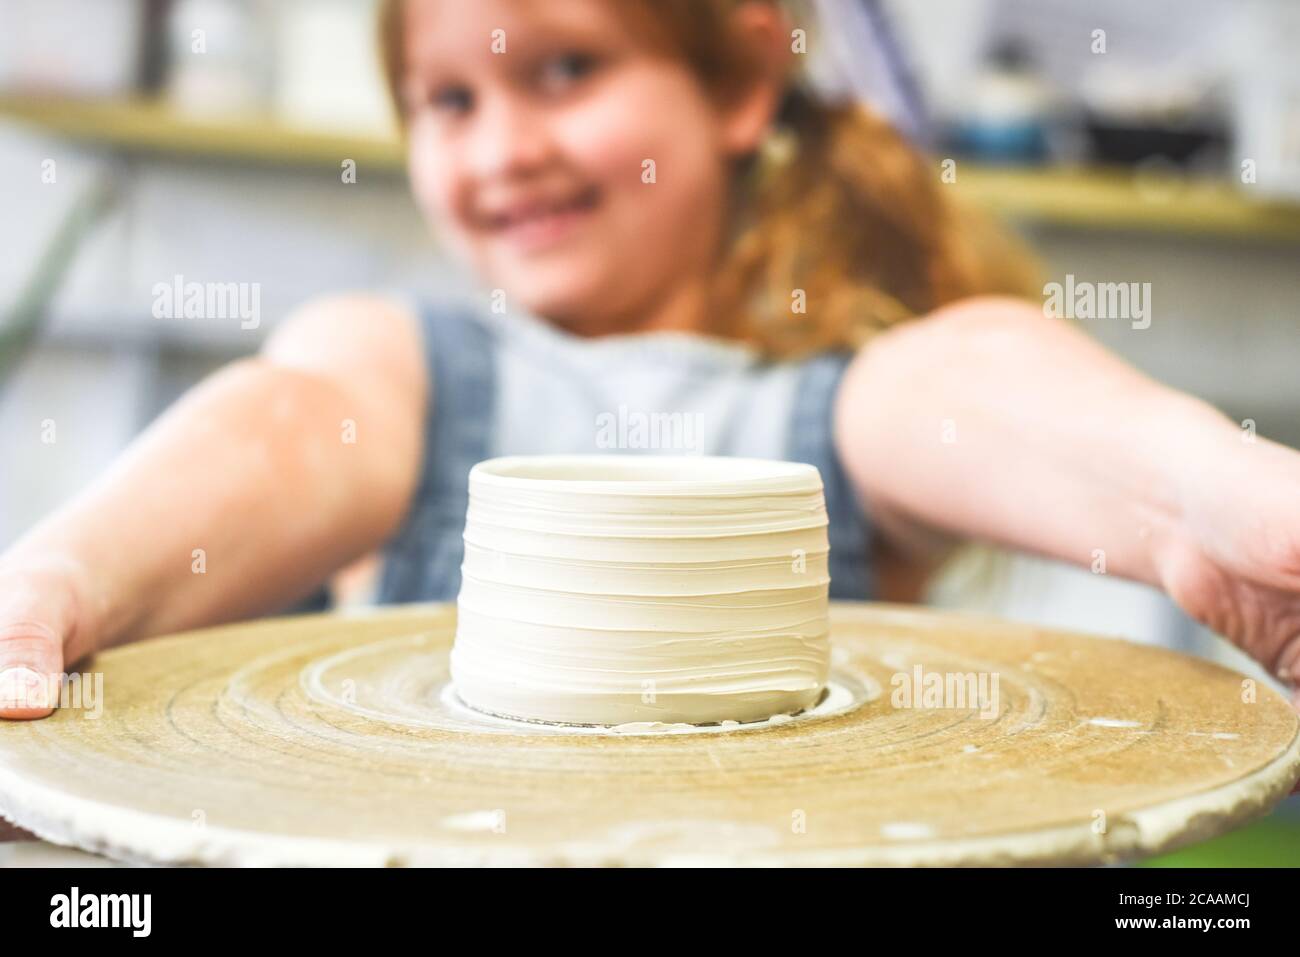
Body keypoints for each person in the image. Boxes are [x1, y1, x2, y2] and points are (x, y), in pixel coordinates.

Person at [3, 0, 1299, 721]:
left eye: (566, 69)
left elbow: (970, 387)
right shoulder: (397, 370)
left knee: (913, 370)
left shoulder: (841, 404)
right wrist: (59, 580)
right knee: (341, 340)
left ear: (740, 87)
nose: (501, 147)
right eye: (448, 102)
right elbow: (291, 423)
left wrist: (1207, 503)